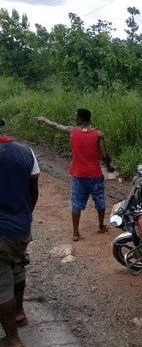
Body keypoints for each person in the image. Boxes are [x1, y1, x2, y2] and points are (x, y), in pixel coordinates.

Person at [36, 109, 115, 241]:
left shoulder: (72, 131)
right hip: (94, 174)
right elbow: (105, 155)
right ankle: (101, 226)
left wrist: (44, 120)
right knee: (99, 200)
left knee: (76, 203)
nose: (75, 118)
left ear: (81, 119)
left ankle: (75, 233)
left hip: (78, 174)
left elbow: (56, 126)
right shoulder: (98, 135)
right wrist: (109, 167)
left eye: (76, 116)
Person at [0, 119, 40, 347]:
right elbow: (33, 188)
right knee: (17, 266)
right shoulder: (26, 151)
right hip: (20, 226)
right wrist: (26, 215)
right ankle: (19, 312)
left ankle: (13, 338)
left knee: (1, 281)